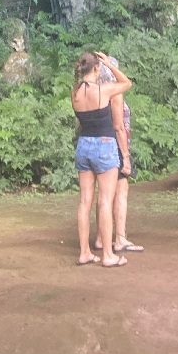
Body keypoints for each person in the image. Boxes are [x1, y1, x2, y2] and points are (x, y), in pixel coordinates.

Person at [71, 50, 132, 266]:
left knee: (84, 201)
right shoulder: (104, 90)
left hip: (83, 145)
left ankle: (85, 252)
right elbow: (126, 83)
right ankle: (108, 255)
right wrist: (110, 65)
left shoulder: (75, 92)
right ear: (97, 68)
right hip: (104, 145)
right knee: (105, 200)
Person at [93, 58, 144, 255]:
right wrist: (126, 157)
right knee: (121, 191)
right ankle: (120, 238)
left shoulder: (93, 93)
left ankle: (101, 237)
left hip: (97, 145)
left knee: (103, 194)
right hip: (115, 146)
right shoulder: (114, 94)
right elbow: (119, 127)